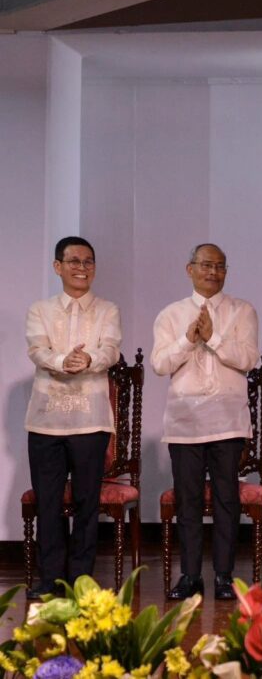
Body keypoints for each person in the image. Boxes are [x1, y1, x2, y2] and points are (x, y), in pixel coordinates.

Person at [152, 244, 258, 600]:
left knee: (228, 499)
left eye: (220, 266)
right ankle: (191, 575)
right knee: (189, 501)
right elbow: (160, 365)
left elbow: (248, 360)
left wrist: (213, 337)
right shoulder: (170, 314)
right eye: (206, 265)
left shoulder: (242, 311)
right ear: (190, 269)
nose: (213, 272)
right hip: (185, 423)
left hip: (228, 421)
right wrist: (188, 339)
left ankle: (225, 577)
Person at [24, 236, 122, 599]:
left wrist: (89, 360)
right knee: (48, 503)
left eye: (89, 262)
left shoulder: (108, 309)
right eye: (74, 261)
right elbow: (37, 348)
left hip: (91, 420)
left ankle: (81, 580)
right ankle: (50, 580)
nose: (82, 268)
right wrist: (62, 361)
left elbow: (110, 348)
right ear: (58, 267)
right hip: (45, 420)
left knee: (86, 504)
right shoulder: (40, 309)